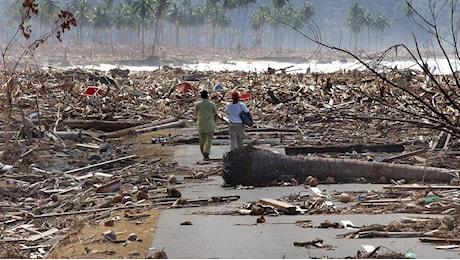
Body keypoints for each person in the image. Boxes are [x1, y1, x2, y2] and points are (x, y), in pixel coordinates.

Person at [194, 90, 217, 160]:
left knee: (202, 141)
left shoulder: (197, 104)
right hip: (210, 124)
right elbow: (215, 114)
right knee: (208, 140)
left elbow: (195, 114)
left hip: (201, 124)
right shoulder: (212, 104)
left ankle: (203, 152)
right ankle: (206, 152)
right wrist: (214, 121)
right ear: (207, 96)